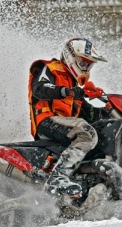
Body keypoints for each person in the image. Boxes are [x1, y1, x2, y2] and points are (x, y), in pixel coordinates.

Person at [28, 38, 107, 197]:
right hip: (46, 120)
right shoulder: (50, 68)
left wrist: (104, 108)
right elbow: (39, 88)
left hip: (64, 127)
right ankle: (58, 177)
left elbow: (87, 114)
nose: (85, 68)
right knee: (88, 133)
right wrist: (65, 91)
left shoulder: (74, 86)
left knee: (96, 131)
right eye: (83, 63)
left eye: (88, 65)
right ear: (71, 56)